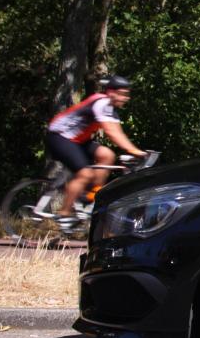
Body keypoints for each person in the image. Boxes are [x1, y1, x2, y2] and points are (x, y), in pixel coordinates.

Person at [45, 75, 145, 230]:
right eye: (123, 94)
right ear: (111, 92)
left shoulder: (112, 110)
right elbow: (112, 133)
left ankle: (91, 195)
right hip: (59, 137)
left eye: (127, 94)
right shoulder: (100, 102)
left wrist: (135, 151)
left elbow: (120, 134)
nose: (126, 98)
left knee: (107, 155)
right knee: (85, 173)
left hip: (77, 140)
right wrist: (134, 151)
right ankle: (63, 214)